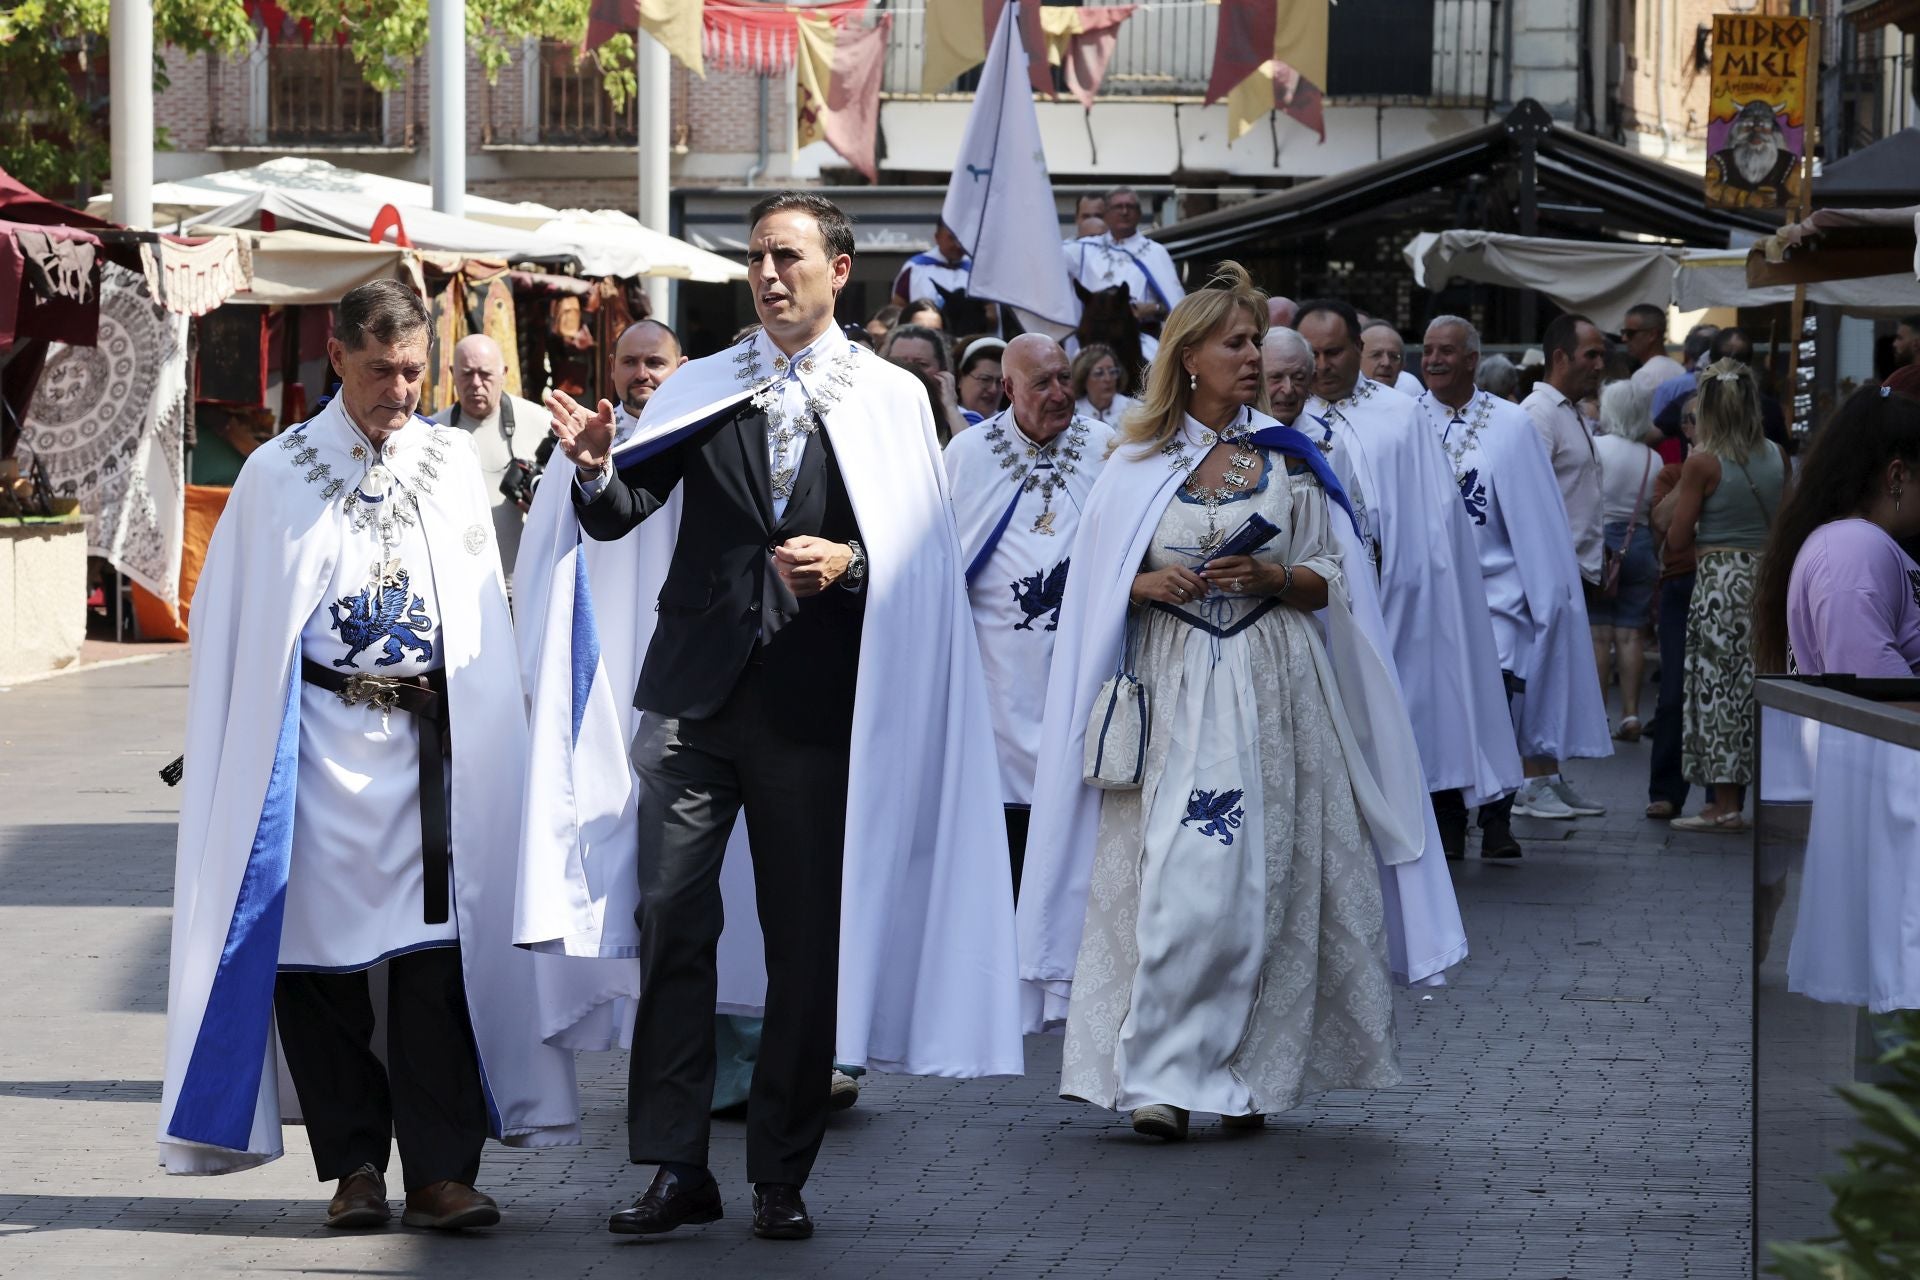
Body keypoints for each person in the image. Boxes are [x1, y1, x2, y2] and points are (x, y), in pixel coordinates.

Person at [529, 190, 1022, 1241]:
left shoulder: (889, 399)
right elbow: (622, 515)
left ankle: (780, 1170)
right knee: (671, 919)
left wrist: (852, 560)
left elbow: (922, 554)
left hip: (814, 705)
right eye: (756, 257)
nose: (768, 274)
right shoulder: (707, 382)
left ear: (838, 271)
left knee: (805, 941)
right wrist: (591, 468)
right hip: (693, 695)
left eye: (788, 256)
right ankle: (674, 1162)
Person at [158, 280, 581, 1229]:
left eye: (413, 370)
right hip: (312, 755)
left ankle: (440, 1174)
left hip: (431, 759)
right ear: (339, 359)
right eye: (383, 369)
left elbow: (485, 608)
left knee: (437, 966)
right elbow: (236, 624)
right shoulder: (277, 472)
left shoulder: (447, 462)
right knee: (318, 972)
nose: (402, 387)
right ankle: (354, 1166)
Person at [1018, 262, 1463, 1142]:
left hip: (1275, 684)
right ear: (1190, 358)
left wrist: (1275, 574)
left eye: (1257, 340)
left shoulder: (1294, 459)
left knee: (1270, 884)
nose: (1255, 357)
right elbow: (1093, 582)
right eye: (1237, 342)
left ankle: (1250, 1071)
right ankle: (1158, 1075)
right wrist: (1147, 583)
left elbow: (1340, 577)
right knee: (1185, 882)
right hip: (1174, 686)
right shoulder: (1135, 461)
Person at [1295, 299, 1523, 836]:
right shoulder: (1283, 416)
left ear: (1359, 348)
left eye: (1334, 352)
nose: (1322, 365)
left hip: (1405, 592)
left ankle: (1439, 818)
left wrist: (1426, 583)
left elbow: (1438, 515)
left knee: (1420, 707)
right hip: (1320, 596)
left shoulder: (1402, 415)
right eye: (1313, 354)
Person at [1749, 386, 1920, 1015]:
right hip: (1891, 793)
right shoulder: (1857, 548)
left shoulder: (1855, 545)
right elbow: (1873, 688)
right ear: (1897, 474)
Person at [1416, 317, 1612, 858]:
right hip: (1430, 598)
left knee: (1498, 705)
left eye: (1446, 351)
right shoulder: (1407, 421)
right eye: (1428, 351)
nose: (1433, 360)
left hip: (1497, 595)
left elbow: (1535, 516)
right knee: (1441, 709)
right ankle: (1449, 815)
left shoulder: (1510, 424)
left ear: (1472, 358)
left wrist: (1544, 592)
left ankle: (1498, 815)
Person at [946, 334, 1114, 896]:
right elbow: (944, 564)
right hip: (998, 676)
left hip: (1086, 669)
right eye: (1042, 383)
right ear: (1008, 389)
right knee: (1007, 829)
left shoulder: (1107, 447)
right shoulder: (968, 454)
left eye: (1065, 377)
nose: (1060, 392)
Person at [1660, 358, 1787, 832]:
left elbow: (1675, 538)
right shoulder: (1777, 455)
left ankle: (1723, 804)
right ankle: (1751, 797)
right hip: (1764, 579)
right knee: (1753, 688)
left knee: (1716, 691)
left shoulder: (1703, 462)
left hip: (1719, 581)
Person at [1515, 314, 1614, 818]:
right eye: (1590, 354)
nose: (1600, 364)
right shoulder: (1539, 412)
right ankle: (1531, 782)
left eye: (1601, 355)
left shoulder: (1569, 411)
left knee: (1559, 675)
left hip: (1574, 565)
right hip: (1549, 568)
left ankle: (1549, 774)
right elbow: (1529, 494)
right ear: (1560, 358)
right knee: (1542, 673)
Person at [432, 333, 551, 585]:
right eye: (466, 373)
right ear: (453, 373)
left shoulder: (540, 423)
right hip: (457, 584)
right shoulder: (432, 432)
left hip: (525, 585)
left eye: (485, 374)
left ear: (504, 373)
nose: (476, 383)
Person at [1590, 380, 1663, 741]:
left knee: (1600, 635)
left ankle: (1599, 715)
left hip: (1600, 545)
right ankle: (1631, 714)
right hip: (1640, 541)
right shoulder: (1654, 457)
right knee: (1631, 634)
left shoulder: (1595, 448)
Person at [1644, 393, 1699, 820]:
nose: (1703, 427)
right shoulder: (1673, 473)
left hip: (1731, 584)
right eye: (1695, 420)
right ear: (1685, 428)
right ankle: (1666, 788)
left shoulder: (1739, 470)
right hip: (1682, 581)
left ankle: (1724, 797)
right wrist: (1693, 473)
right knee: (1673, 691)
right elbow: (1660, 523)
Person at [1062, 186, 1185, 329]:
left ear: (1139, 213)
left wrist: (1153, 308)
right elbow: (1047, 258)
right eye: (1118, 207)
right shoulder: (1084, 248)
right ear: (1106, 214)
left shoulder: (1155, 252)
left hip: (1141, 338)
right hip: (1093, 338)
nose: (1124, 212)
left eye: (1130, 207)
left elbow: (1177, 306)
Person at [882, 323, 968, 441]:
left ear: (942, 370)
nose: (909, 371)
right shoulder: (867, 410)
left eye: (921, 364)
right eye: (898, 362)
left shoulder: (962, 418)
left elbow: (969, 453)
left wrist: (950, 408)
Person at [891, 222, 971, 308]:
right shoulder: (915, 268)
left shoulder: (975, 270)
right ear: (937, 238)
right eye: (952, 238)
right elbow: (898, 307)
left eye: (962, 238)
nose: (958, 245)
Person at [1622, 304, 1685, 398]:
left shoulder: (1645, 376)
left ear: (1652, 335)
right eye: (1623, 332)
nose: (1624, 338)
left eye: (1630, 333)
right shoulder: (1680, 370)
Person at [1070, 343, 1136, 427]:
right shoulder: (1071, 414)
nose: (1108, 379)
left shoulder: (1135, 410)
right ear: (1083, 378)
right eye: (1099, 373)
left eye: (1112, 372)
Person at [1360, 319, 1421, 396]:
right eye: (1376, 355)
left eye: (1394, 357)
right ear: (1356, 360)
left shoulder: (1411, 405)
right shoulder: (1342, 405)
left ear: (1402, 365)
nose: (1386, 363)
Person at [956, 337, 1007, 423]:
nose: (993, 390)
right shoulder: (940, 424)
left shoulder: (1008, 425)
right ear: (960, 379)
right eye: (985, 379)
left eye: (1000, 382)